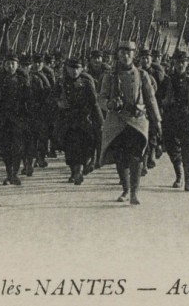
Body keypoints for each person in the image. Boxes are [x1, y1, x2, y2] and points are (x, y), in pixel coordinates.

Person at [98, 40, 162, 206]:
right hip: (117, 121)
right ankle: (125, 189)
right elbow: (101, 98)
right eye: (122, 53)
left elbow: (151, 99)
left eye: (129, 53)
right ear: (117, 55)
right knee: (121, 158)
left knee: (136, 157)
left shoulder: (142, 75)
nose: (125, 56)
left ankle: (134, 192)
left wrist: (157, 120)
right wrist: (109, 104)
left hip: (137, 121)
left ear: (134, 55)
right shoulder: (109, 75)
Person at [156, 49, 189, 191]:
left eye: (183, 62)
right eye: (178, 62)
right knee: (171, 147)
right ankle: (178, 174)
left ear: (186, 64)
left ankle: (188, 178)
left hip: (186, 119)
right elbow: (157, 98)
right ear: (173, 63)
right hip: (169, 119)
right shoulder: (167, 81)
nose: (180, 65)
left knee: (187, 149)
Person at [55, 56, 103, 185]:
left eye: (77, 68)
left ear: (82, 68)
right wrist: (58, 102)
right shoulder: (61, 82)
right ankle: (74, 172)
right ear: (66, 68)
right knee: (69, 147)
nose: (74, 71)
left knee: (85, 145)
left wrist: (99, 120)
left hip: (84, 120)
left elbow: (94, 102)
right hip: (67, 120)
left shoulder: (86, 82)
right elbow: (51, 97)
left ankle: (80, 170)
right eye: (71, 68)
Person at [0, 53, 32, 186]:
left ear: (17, 65)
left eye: (13, 63)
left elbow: (29, 98)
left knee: (17, 148)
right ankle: (9, 174)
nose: (10, 66)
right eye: (7, 63)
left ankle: (14, 174)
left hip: (18, 118)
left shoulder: (22, 80)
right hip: (2, 118)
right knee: (4, 148)